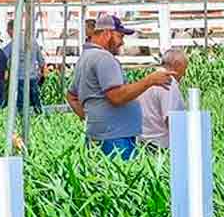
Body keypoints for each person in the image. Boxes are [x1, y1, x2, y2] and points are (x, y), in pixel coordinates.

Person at [67, 14, 173, 160]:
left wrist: (92, 117)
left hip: (103, 134)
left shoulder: (85, 57)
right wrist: (150, 81)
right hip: (115, 138)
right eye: (120, 36)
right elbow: (116, 96)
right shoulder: (104, 58)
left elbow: (71, 96)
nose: (122, 43)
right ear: (107, 33)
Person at [138, 49, 188, 149]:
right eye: (185, 68)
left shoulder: (151, 79)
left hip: (144, 141)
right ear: (177, 65)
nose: (185, 74)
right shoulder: (168, 82)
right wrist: (183, 146)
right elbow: (171, 119)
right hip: (160, 145)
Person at [4, 20, 46, 114]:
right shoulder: (33, 41)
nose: (7, 33)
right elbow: (41, 61)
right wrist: (42, 74)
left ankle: (22, 121)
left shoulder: (14, 43)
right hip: (33, 76)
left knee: (21, 103)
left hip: (20, 77)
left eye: (8, 30)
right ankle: (40, 120)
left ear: (12, 30)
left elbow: (3, 57)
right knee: (36, 102)